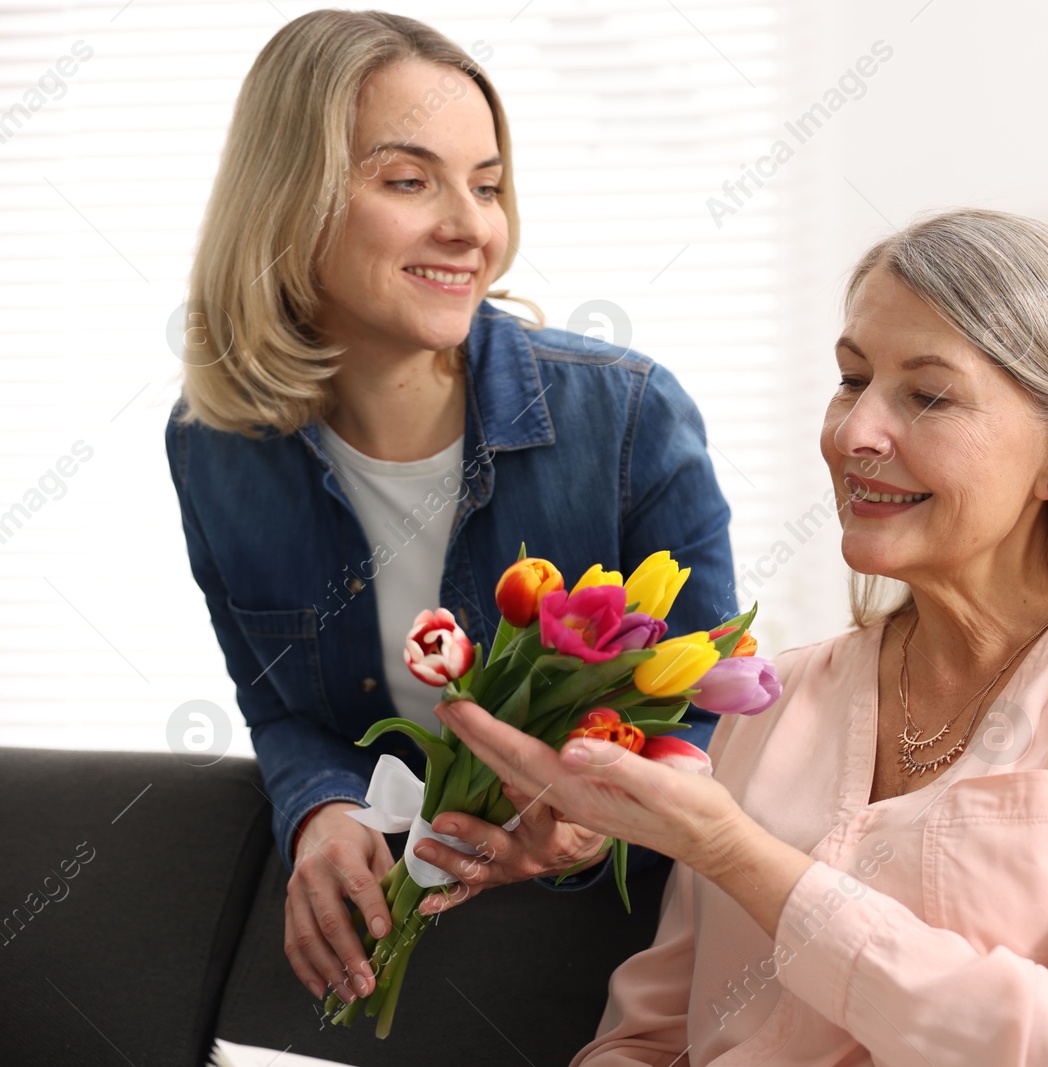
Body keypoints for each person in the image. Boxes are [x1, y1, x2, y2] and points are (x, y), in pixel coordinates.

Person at [435, 208, 1048, 1065]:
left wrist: (734, 853)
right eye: (852, 379)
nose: (853, 434)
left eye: (927, 394)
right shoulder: (774, 697)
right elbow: (649, 1040)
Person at [163, 10, 736, 1010]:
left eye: (486, 184)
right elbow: (282, 708)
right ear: (287, 200)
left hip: (616, 960)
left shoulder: (628, 416)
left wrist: (587, 826)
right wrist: (321, 806)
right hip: (406, 955)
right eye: (406, 179)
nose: (471, 228)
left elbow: (708, 716)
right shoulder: (216, 446)